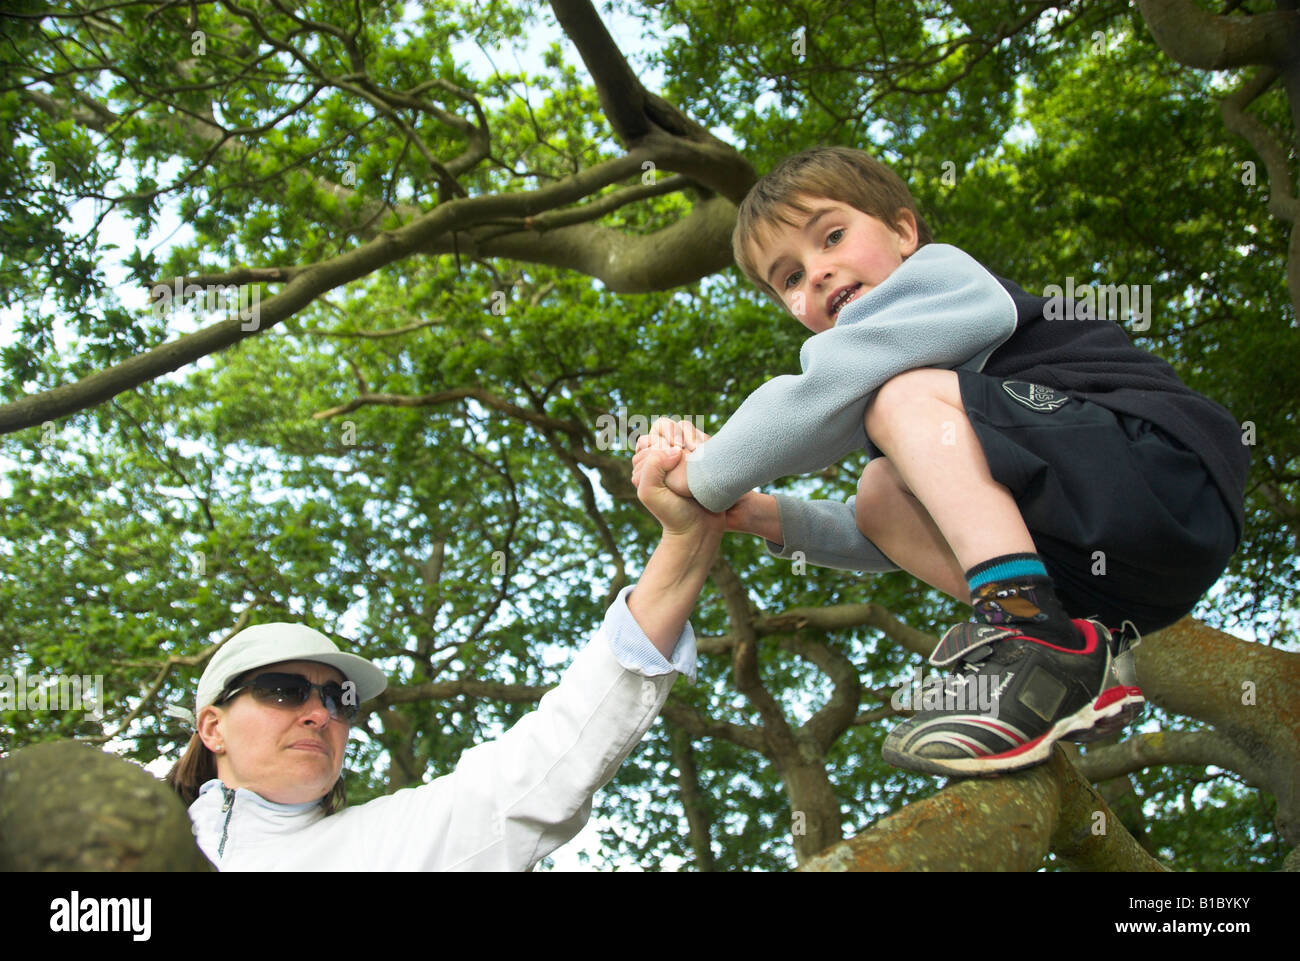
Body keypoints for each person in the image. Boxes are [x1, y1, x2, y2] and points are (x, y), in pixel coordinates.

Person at [633, 146, 1248, 778]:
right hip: (1127, 585)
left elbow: (818, 392)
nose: (814, 273)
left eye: (833, 237)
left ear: (903, 232)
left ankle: (1024, 627)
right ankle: (1066, 650)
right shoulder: (933, 419)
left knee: (895, 400)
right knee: (881, 493)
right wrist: (761, 515)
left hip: (1162, 469)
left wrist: (700, 477)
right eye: (788, 278)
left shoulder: (944, 281)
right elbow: (905, 532)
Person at [165, 442, 721, 870]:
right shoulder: (108, 832)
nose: (320, 713)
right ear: (212, 726)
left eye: (339, 699)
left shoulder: (387, 846)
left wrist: (686, 539)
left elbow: (545, 765)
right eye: (283, 690)